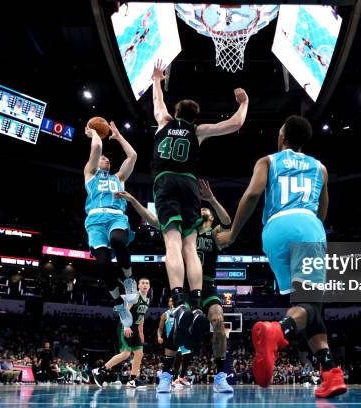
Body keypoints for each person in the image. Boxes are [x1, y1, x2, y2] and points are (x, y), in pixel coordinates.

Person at [216, 115, 346, 398]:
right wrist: (312, 230)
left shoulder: (268, 161)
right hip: (307, 225)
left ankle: (330, 373)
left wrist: (233, 234)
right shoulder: (320, 168)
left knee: (309, 307)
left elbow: (252, 196)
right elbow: (321, 211)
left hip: (274, 230)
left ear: (283, 136)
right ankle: (280, 331)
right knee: (310, 304)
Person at [150, 59, 248, 350]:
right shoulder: (199, 131)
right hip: (190, 184)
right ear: (195, 118)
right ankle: (195, 301)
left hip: (166, 181)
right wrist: (243, 102)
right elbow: (235, 124)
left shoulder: (164, 122)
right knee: (190, 246)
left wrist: (157, 80)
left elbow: (157, 103)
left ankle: (178, 300)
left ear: (176, 113)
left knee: (172, 244)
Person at [115, 179, 234, 393]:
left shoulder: (214, 235)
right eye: (201, 210)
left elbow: (227, 221)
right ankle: (167, 375)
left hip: (207, 286)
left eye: (206, 212)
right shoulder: (185, 230)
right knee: (177, 325)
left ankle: (219, 376)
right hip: (184, 286)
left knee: (218, 319)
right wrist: (133, 200)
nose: (203, 213)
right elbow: (151, 218)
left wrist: (212, 199)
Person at [83, 121, 139, 327]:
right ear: (96, 163)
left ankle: (129, 279)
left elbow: (132, 156)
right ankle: (119, 304)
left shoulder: (119, 178)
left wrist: (118, 136)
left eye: (107, 159)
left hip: (116, 217)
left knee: (117, 239)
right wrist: (93, 134)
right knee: (103, 263)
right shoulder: (90, 175)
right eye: (102, 159)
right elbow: (97, 148)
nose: (105, 159)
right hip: (95, 222)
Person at [92, 278, 151, 388]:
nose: (145, 285)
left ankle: (132, 380)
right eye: (142, 283)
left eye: (147, 283)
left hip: (136, 328)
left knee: (139, 353)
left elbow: (142, 316)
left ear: (149, 286)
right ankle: (99, 371)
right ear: (138, 286)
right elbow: (124, 310)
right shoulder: (134, 297)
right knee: (126, 354)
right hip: (125, 326)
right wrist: (126, 325)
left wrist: (141, 332)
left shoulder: (147, 300)